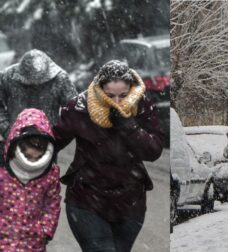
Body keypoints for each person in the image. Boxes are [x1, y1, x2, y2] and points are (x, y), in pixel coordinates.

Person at [53, 60, 164, 251]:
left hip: (130, 203)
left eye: (123, 95)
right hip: (86, 201)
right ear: (99, 89)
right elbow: (53, 141)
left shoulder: (142, 105)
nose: (117, 102)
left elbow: (153, 151)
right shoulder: (80, 107)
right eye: (110, 95)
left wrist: (127, 125)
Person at [0, 108, 61, 251]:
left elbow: (52, 203)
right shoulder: (3, 170)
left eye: (37, 157)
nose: (32, 161)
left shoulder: (50, 173)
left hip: (33, 243)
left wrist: (46, 230)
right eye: (28, 156)